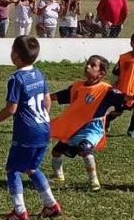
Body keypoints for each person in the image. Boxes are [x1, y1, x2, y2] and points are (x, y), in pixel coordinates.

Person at [0, 35, 61, 220]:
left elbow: (11, 109)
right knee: (31, 167)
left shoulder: (16, 78)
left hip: (27, 132)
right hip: (44, 128)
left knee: (13, 170)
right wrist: (42, 118)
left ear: (15, 56)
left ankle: (19, 210)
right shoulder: (39, 73)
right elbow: (47, 100)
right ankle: (51, 204)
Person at [48, 55, 127, 191]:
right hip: (75, 128)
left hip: (92, 127)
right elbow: (63, 95)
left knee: (85, 148)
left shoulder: (106, 90)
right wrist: (46, 97)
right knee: (56, 151)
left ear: (101, 73)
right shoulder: (77, 86)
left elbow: (121, 97)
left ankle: (94, 181)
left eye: (92, 65)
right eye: (87, 63)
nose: (87, 66)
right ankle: (58, 175)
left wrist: (132, 97)